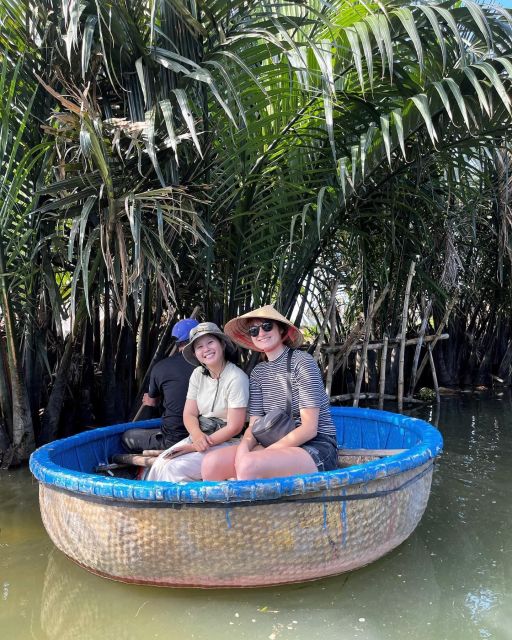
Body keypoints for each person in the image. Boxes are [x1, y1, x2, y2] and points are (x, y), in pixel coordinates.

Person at [201, 305, 338, 481]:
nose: (261, 333)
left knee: (249, 465)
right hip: (273, 443)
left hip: (315, 446)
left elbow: (309, 429)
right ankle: (226, 508)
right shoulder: (258, 373)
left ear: (281, 330)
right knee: (211, 462)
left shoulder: (302, 362)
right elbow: (255, 425)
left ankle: (260, 508)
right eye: (254, 330)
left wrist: (261, 454)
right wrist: (244, 449)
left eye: (267, 326)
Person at [146, 322, 249, 482]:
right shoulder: (198, 374)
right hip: (200, 436)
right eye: (199, 346)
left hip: (228, 442)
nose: (206, 349)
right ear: (194, 353)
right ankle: (155, 506)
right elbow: (189, 413)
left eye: (210, 342)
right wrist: (197, 435)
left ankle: (182, 506)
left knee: (174, 469)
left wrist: (198, 445)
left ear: (222, 344)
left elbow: (234, 427)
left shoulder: (236, 378)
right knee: (161, 462)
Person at [121, 318, 199, 452]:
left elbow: (151, 401)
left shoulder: (161, 367)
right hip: (206, 434)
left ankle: (141, 470)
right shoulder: (211, 365)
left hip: (174, 439)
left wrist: (150, 400)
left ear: (177, 342)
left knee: (127, 437)